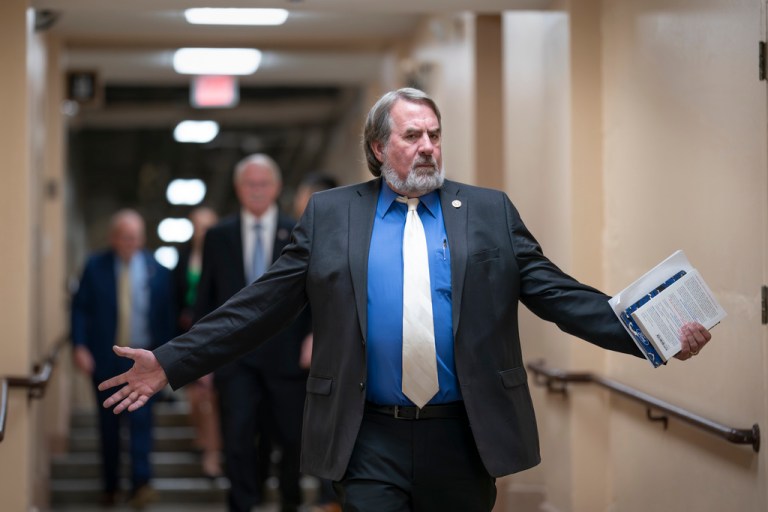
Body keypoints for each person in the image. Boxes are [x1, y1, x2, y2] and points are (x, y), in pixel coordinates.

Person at [98, 88, 712, 512]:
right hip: (368, 434)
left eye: (434, 135)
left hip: (463, 433)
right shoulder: (332, 215)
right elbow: (259, 305)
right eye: (411, 135)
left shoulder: (490, 213)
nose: (427, 147)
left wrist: (652, 333)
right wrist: (172, 361)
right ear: (378, 148)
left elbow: (558, 295)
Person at [192, 154, 310, 512]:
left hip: (288, 356)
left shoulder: (300, 231)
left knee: (290, 439)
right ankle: (242, 505)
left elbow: (316, 291)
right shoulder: (219, 236)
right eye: (249, 184)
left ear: (276, 187)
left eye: (263, 184)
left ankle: (290, 502)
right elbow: (206, 300)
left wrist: (313, 336)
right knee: (239, 439)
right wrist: (202, 358)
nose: (256, 190)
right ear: (237, 189)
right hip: (235, 358)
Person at [70, 209, 174, 508]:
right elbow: (80, 309)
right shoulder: (94, 267)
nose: (131, 242)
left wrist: (168, 359)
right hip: (106, 359)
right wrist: (80, 346)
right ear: (113, 238)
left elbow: (166, 318)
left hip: (145, 360)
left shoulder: (159, 270)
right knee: (109, 425)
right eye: (126, 237)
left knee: (142, 421)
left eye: (136, 237)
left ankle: (141, 484)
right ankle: (111, 486)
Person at [172, 206, 223, 480]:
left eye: (207, 225)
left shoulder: (224, 254)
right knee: (196, 394)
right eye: (198, 226)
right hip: (189, 333)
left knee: (210, 395)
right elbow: (175, 295)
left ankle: (213, 453)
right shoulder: (183, 258)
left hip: (217, 333)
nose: (202, 232)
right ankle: (204, 440)